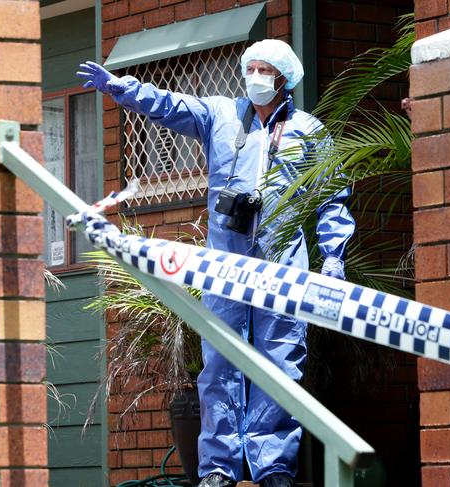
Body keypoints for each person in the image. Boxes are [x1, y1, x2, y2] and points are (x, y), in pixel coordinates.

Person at [77, 39, 355, 487]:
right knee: (219, 365)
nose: (257, 76)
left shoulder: (309, 130)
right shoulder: (221, 115)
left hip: (282, 266)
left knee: (279, 365)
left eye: (267, 70)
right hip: (225, 265)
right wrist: (122, 90)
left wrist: (334, 256)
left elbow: (331, 197)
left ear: (285, 80)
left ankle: (274, 468)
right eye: (253, 67)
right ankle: (219, 469)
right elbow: (170, 104)